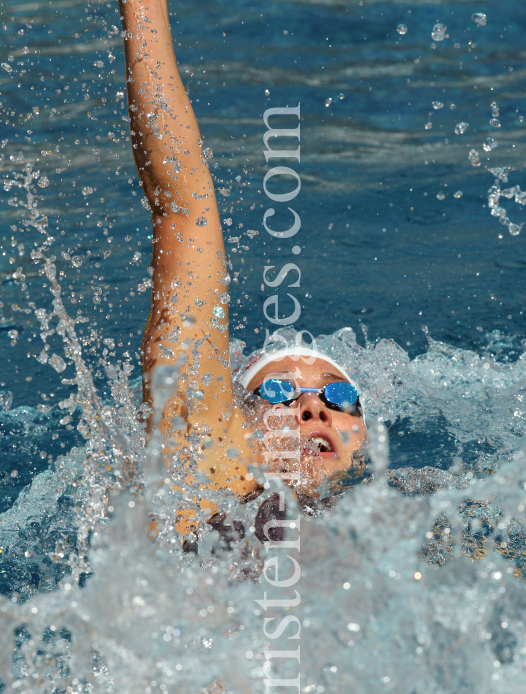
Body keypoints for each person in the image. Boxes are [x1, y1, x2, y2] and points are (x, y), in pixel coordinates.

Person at [118, 0, 368, 534]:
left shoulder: (411, 523)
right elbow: (183, 206)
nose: (312, 406)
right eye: (276, 391)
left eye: (340, 396)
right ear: (234, 419)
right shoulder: (207, 474)